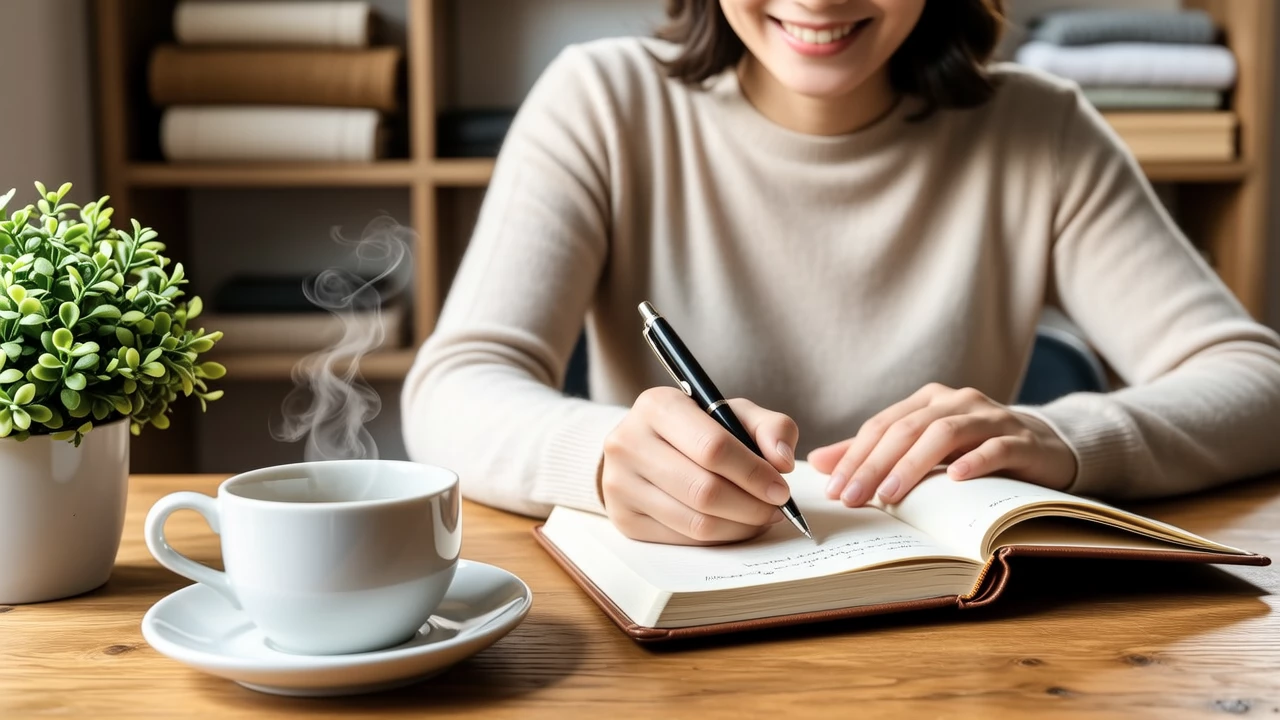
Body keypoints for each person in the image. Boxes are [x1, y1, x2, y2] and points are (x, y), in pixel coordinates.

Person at [402, 0, 1280, 546]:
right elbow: (452, 387)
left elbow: (1258, 380)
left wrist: (1070, 440)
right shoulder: (601, 102)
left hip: (967, 643)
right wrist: (598, 459)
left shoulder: (1040, 130)